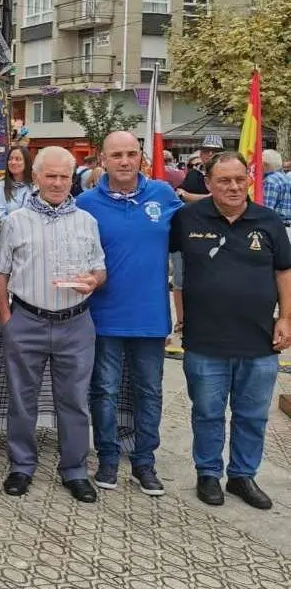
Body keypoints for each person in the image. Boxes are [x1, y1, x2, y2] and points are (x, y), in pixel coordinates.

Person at [170, 151, 291, 510]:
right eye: (224, 180)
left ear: (249, 178)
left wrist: (286, 318)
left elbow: (284, 272)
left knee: (252, 414)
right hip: (205, 340)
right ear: (208, 183)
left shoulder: (268, 221)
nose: (234, 186)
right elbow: (160, 259)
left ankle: (242, 476)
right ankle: (208, 474)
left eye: (240, 178)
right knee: (207, 412)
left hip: (259, 339)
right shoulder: (187, 219)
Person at [0, 146, 107, 503]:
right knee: (22, 400)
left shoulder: (86, 220)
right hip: (27, 319)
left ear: (72, 178)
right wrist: (7, 321)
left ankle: (74, 471)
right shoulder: (15, 222)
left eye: (63, 176)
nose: (57, 183)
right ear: (37, 177)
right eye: (50, 176)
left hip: (76, 323)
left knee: (74, 401)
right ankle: (21, 467)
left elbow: (99, 267)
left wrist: (95, 281)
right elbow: (0, 274)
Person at [76, 131, 184, 496]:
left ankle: (144, 463)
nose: (125, 161)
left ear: (141, 157)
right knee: (103, 390)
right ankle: (107, 459)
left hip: (151, 316)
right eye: (117, 154)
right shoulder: (86, 203)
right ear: (102, 159)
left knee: (149, 392)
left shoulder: (164, 196)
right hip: (103, 316)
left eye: (131, 154)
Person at [177, 135, 224, 204]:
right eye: (206, 150)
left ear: (221, 155)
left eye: (215, 151)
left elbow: (216, 199)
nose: (210, 154)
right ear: (201, 154)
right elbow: (179, 192)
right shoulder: (193, 173)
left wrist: (186, 196)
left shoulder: (226, 174)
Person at [0, 146, 32, 220]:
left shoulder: (34, 187)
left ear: (26, 162)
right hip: (6, 230)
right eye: (10, 159)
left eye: (18, 159)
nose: (13, 162)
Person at [262, 149, 291, 224]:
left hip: (276, 225)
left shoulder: (270, 181)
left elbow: (267, 210)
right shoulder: (285, 177)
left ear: (265, 164)